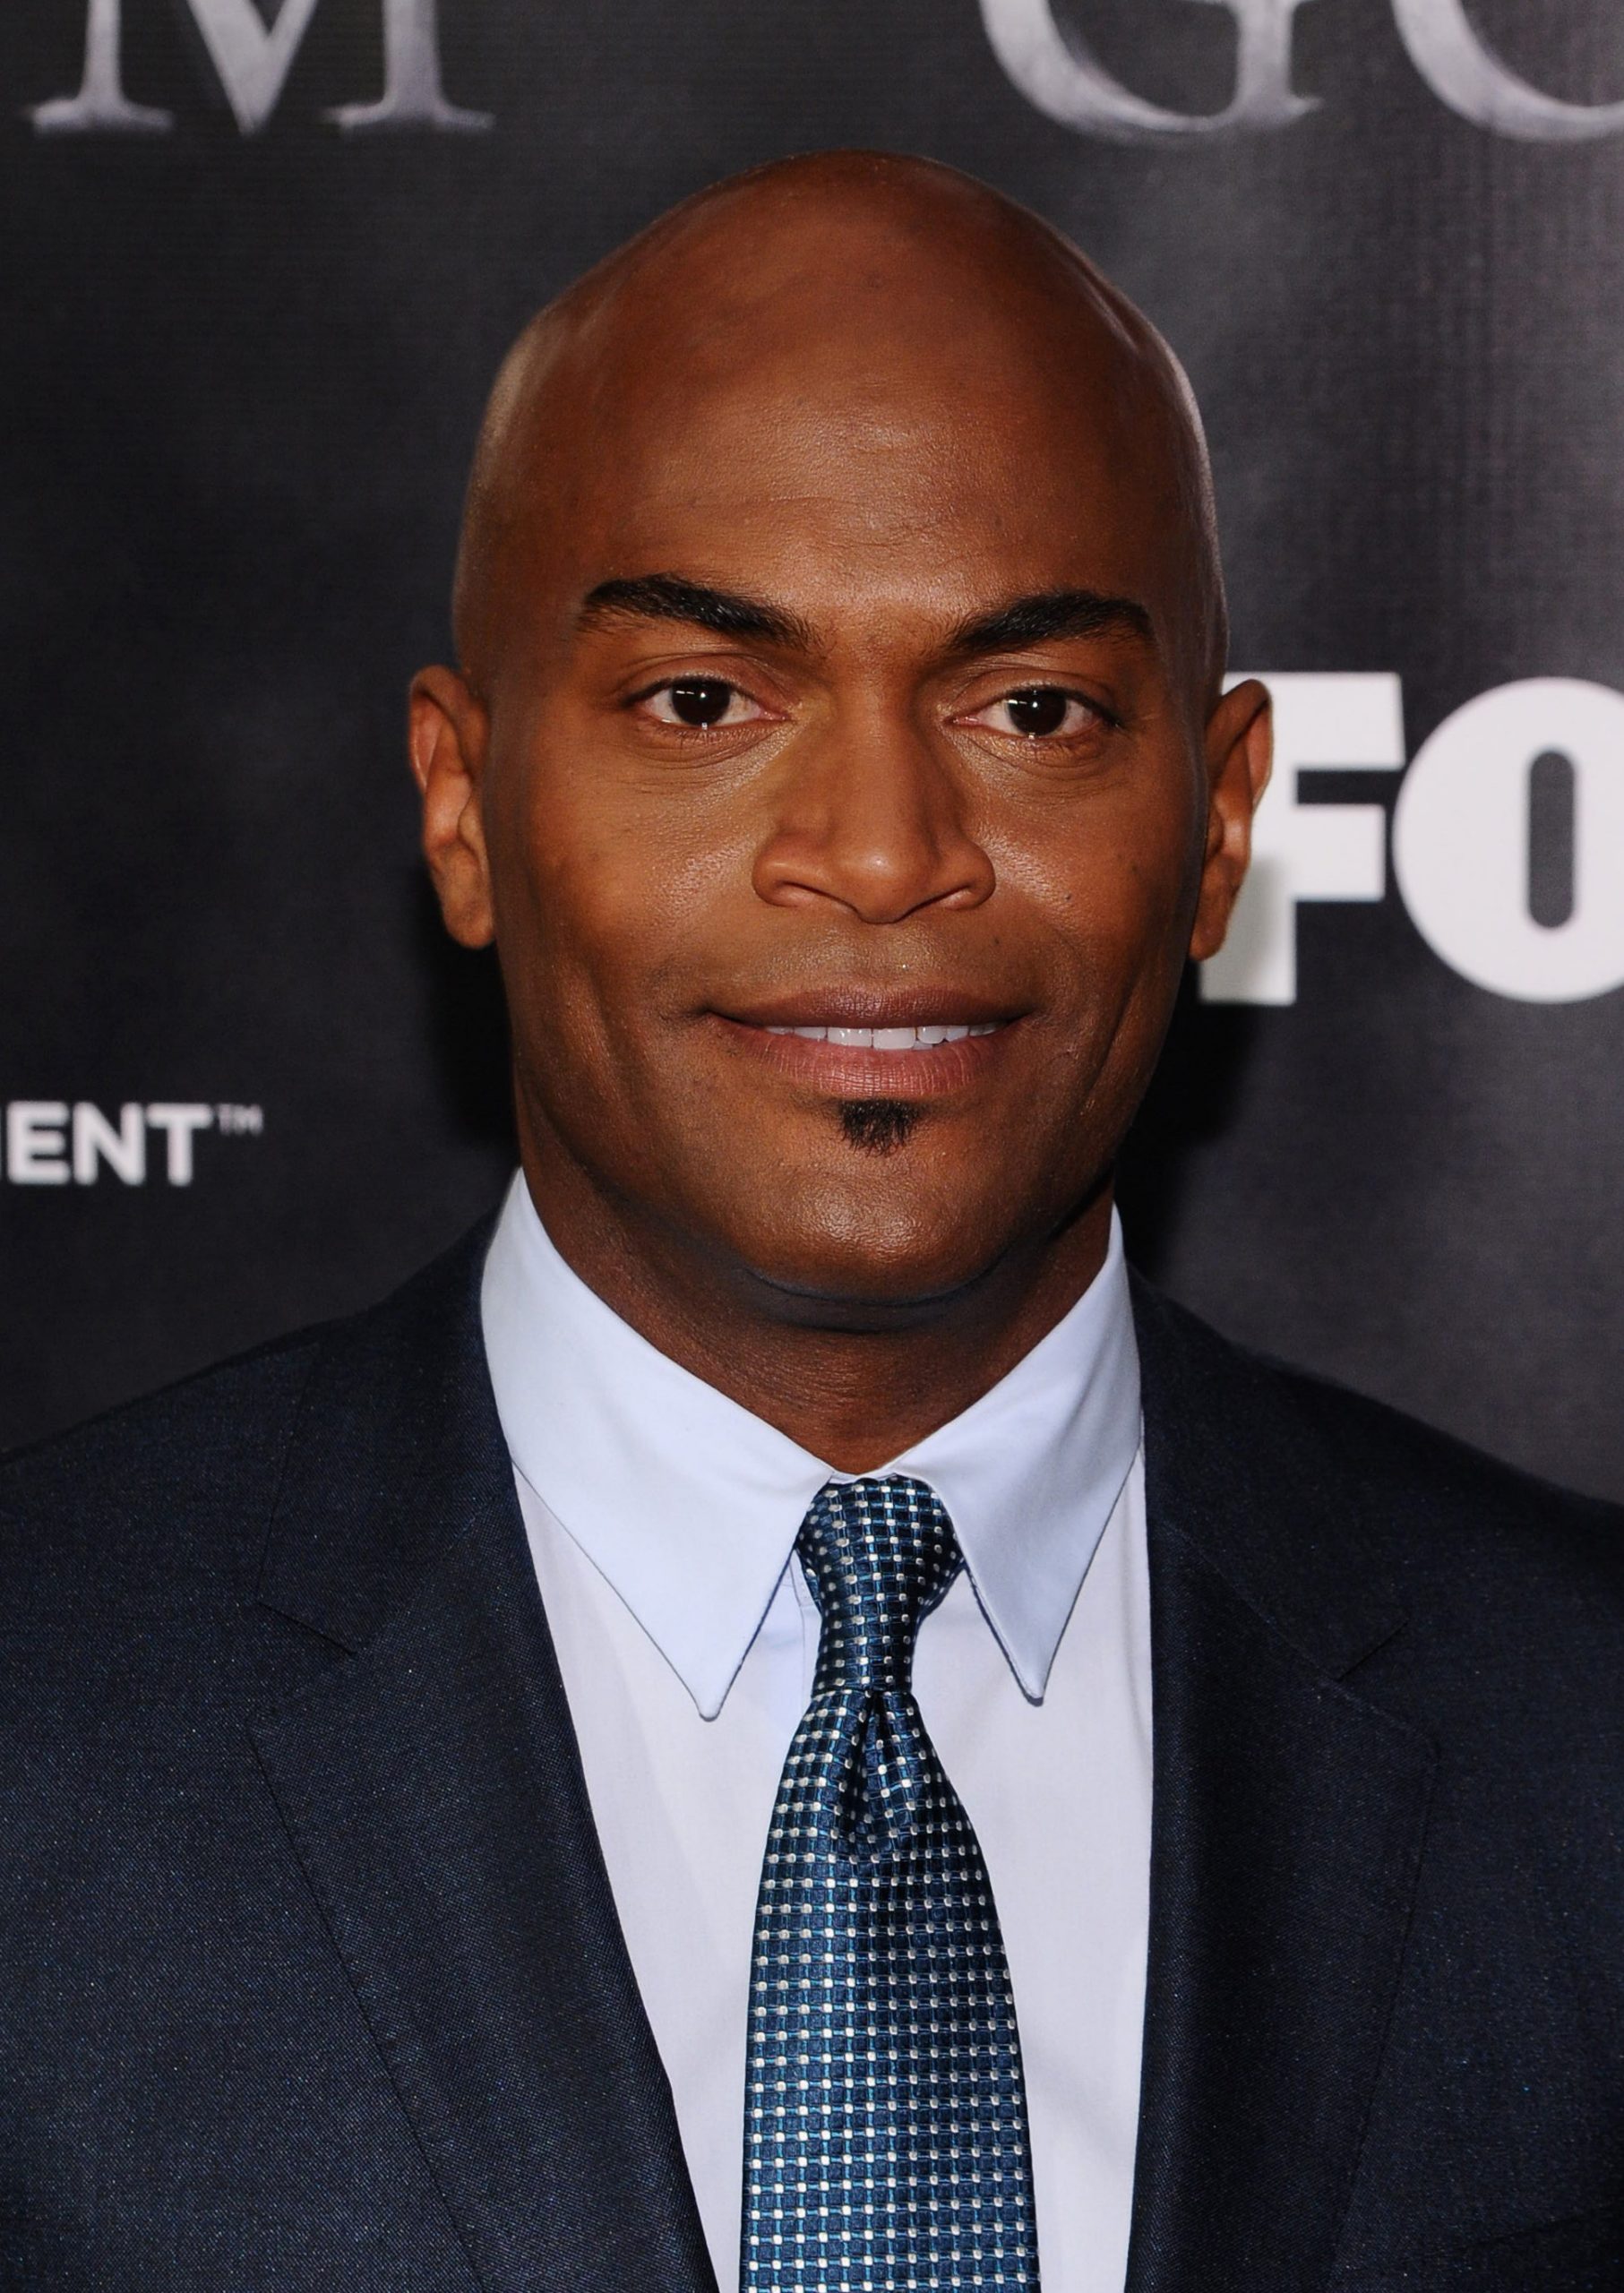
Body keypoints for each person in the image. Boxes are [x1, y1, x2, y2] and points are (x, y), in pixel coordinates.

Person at [2, 151, 1620, 2293]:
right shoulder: (44, 1708)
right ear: (464, 803)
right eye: (704, 700)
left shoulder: (1580, 1728)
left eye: (1030, 709)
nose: (876, 851)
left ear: (1220, 822)